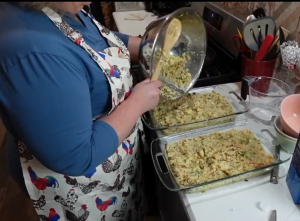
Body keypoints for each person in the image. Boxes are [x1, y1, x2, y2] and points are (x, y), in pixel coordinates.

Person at [0, 2, 161, 221]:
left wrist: (146, 48)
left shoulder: (57, 8)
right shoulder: (35, 49)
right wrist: (138, 103)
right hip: (80, 183)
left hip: (114, 162)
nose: (89, 3)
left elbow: (89, 40)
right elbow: (75, 155)